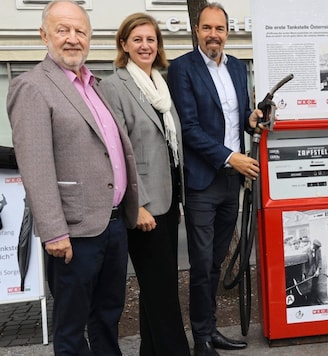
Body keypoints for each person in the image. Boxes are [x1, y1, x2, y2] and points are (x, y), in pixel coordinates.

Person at [6, 1, 139, 354]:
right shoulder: (32, 86)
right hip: (73, 233)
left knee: (108, 315)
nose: (72, 38)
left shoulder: (94, 84)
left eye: (80, 31)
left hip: (112, 226)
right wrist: (54, 231)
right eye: (63, 29)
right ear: (44, 34)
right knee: (72, 327)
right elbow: (35, 165)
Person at [166, 3, 263, 355]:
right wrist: (231, 157)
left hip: (231, 181)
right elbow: (189, 129)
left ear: (227, 31)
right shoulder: (182, 69)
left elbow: (236, 122)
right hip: (203, 181)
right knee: (201, 263)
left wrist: (251, 121)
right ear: (196, 30)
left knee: (217, 260)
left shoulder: (238, 67)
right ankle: (202, 338)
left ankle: (211, 330)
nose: (213, 34)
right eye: (207, 28)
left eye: (219, 28)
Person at [98, 13, 189, 356]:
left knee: (157, 287)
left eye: (151, 39)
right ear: (124, 44)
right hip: (145, 206)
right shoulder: (114, 86)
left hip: (169, 201)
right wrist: (139, 205)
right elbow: (119, 152)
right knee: (163, 289)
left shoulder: (160, 86)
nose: (145, 46)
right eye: (137, 39)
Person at [306, 238, 323, 305]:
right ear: (313, 245)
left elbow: (320, 260)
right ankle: (309, 302)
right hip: (309, 272)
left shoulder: (318, 250)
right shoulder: (306, 250)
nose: (317, 249)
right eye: (316, 247)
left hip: (315, 271)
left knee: (315, 286)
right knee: (309, 286)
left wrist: (318, 270)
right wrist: (304, 273)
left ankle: (316, 300)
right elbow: (304, 263)